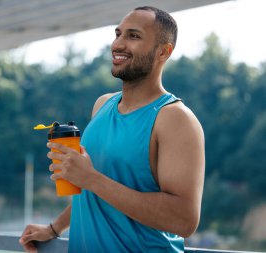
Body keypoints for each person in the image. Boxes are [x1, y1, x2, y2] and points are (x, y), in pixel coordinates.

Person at [19, 5, 205, 253]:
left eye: (133, 36)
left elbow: (184, 220)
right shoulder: (102, 105)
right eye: (118, 34)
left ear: (163, 52)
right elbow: (98, 191)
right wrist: (54, 229)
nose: (118, 44)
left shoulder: (175, 119)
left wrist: (91, 179)